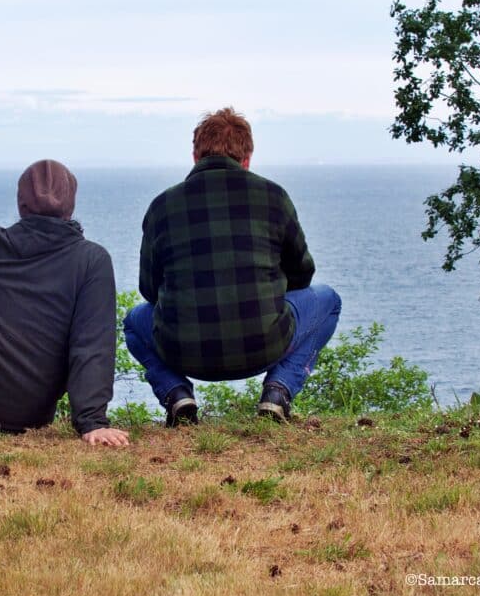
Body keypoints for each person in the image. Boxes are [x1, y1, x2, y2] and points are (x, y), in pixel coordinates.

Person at [123, 108, 341, 426]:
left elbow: (149, 290)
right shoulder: (274, 197)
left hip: (183, 351)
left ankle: (176, 394)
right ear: (247, 158)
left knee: (133, 322)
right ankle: (278, 391)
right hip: (267, 345)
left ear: (195, 155)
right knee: (328, 301)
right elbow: (303, 275)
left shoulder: (162, 206)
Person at [0, 159, 129, 446]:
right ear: (71, 206)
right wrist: (92, 421)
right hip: (30, 417)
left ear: (20, 204)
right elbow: (91, 344)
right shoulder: (92, 260)